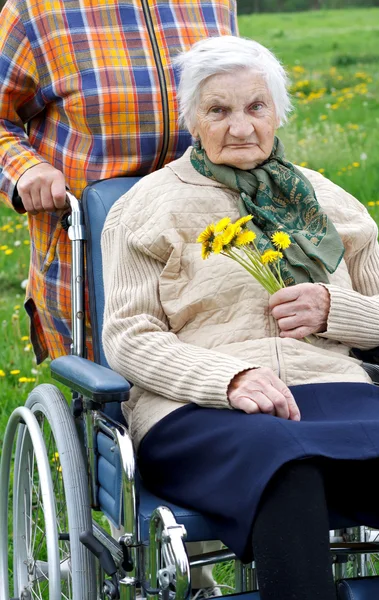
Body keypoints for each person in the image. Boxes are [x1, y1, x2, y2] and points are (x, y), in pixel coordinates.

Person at [101, 36, 379, 600]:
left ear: (278, 112)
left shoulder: (326, 199)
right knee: (287, 463)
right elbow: (128, 338)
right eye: (219, 109)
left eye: (255, 107)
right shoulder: (146, 207)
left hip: (334, 391)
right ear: (191, 119)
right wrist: (227, 379)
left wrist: (337, 309)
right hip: (200, 409)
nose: (240, 127)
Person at [0, 1, 237, 595]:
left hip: (207, 254)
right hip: (90, 259)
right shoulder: (35, 11)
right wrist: (23, 168)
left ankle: (201, 558)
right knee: (123, 410)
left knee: (220, 383)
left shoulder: (212, 2)